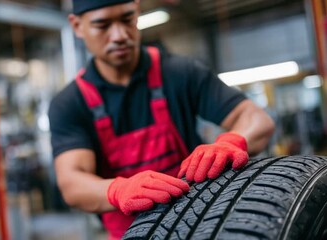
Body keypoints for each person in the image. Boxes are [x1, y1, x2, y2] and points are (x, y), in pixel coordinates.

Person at [48, 0, 275, 239]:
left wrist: (230, 142)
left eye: (127, 19)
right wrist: (118, 190)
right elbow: (72, 182)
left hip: (201, 227)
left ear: (137, 11)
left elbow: (257, 119)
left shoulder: (181, 72)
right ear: (77, 26)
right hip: (129, 234)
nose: (119, 35)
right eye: (102, 25)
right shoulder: (70, 103)